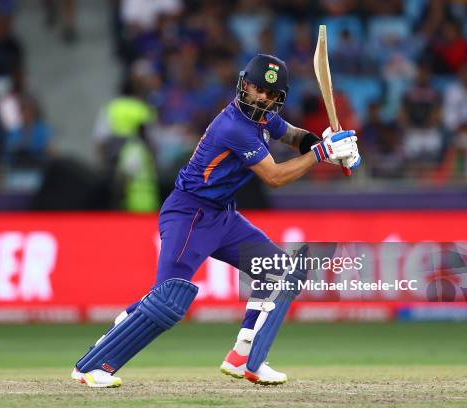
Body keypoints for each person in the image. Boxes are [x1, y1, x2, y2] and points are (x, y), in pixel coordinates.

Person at [72, 54, 361, 388]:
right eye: (257, 89)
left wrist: (318, 142)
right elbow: (275, 177)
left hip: (223, 216)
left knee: (279, 270)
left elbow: (292, 135)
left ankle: (244, 358)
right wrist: (324, 153)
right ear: (245, 85)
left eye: (270, 93)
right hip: (190, 215)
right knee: (165, 299)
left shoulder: (264, 118)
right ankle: (94, 364)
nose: (262, 97)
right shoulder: (234, 126)